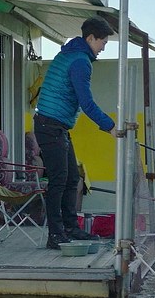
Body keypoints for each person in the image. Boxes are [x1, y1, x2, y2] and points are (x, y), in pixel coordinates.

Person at [34, 16, 117, 250]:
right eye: (103, 42)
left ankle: (70, 228)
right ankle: (55, 235)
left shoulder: (69, 54)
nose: (103, 48)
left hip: (55, 125)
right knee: (59, 180)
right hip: (50, 126)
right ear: (90, 38)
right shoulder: (81, 62)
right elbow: (86, 103)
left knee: (72, 178)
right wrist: (110, 126)